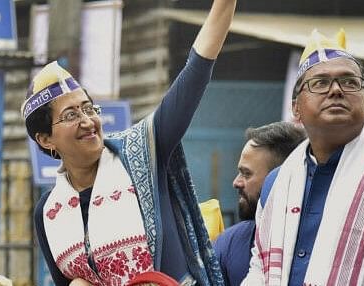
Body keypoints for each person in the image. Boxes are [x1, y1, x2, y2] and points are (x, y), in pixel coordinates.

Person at [24, 0, 237, 285]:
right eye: (71, 115)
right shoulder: (49, 212)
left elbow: (196, 72)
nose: (88, 121)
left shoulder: (142, 152)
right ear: (45, 138)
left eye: (89, 109)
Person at [242, 29, 364, 285]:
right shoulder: (276, 184)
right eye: (320, 83)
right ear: (296, 108)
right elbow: (259, 271)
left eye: (350, 82)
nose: (336, 90)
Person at [213, 122, 306, 286]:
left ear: (278, 180)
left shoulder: (320, 242)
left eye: (246, 174)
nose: (236, 182)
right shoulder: (230, 243)